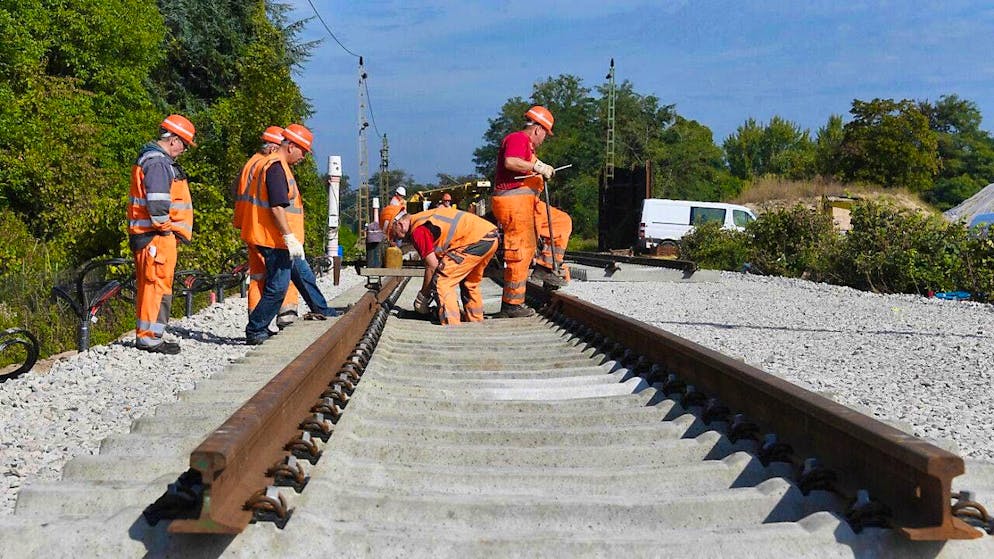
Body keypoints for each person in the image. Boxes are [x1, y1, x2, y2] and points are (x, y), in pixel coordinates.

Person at [240, 123, 339, 345]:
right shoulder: (276, 168)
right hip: (274, 239)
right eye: (303, 151)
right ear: (291, 146)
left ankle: (321, 309)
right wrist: (289, 237)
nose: (304, 156)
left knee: (303, 274)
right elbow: (276, 207)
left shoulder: (276, 165)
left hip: (279, 238)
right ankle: (256, 329)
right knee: (278, 286)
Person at [492, 105, 572, 318]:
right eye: (546, 133)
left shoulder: (528, 147)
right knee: (521, 250)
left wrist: (542, 167)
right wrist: (536, 168)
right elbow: (511, 162)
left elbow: (530, 162)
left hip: (528, 203)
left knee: (561, 222)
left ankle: (545, 268)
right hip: (514, 203)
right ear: (538, 129)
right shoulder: (518, 139)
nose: (545, 138)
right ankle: (512, 305)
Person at [127, 114, 197, 354]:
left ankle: (151, 334)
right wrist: (167, 228)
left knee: (155, 286)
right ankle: (150, 338)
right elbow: (157, 204)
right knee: (156, 287)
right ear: (174, 139)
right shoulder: (158, 163)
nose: (184, 150)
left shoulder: (154, 160)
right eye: (185, 144)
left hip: (152, 236)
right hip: (155, 237)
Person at [233, 126, 300, 329]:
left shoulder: (251, 164)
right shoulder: (269, 165)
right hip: (267, 231)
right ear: (274, 147)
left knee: (258, 276)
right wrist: (287, 234)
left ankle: (257, 319)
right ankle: (284, 315)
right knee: (280, 276)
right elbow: (273, 204)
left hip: (251, 228)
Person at [386, 207, 499, 325]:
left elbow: (432, 266)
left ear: (400, 223)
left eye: (394, 234)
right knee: (469, 283)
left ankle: (452, 325)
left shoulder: (418, 230)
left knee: (443, 281)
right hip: (490, 236)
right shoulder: (424, 218)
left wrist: (423, 297)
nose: (397, 239)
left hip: (474, 241)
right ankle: (476, 322)